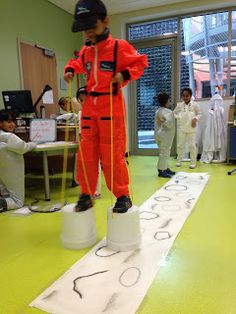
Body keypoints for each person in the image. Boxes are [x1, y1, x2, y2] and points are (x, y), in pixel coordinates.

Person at [64, 0, 148, 213]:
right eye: (85, 30)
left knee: (112, 154)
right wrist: (70, 70)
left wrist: (123, 75)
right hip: (90, 108)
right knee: (87, 153)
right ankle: (86, 193)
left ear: (106, 21)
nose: (89, 33)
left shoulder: (119, 47)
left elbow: (140, 62)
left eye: (93, 27)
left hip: (110, 106)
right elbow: (77, 62)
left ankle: (122, 196)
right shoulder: (86, 51)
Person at [0, 109, 36, 212]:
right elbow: (23, 147)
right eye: (9, 122)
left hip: (3, 170)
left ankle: (3, 202)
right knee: (17, 201)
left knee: (6, 192)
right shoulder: (8, 137)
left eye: (13, 122)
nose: (13, 124)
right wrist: (34, 144)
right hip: (10, 168)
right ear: (1, 123)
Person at [173, 87, 201, 169]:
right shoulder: (179, 105)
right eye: (184, 96)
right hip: (181, 128)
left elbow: (199, 113)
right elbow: (173, 113)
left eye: (187, 96)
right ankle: (179, 161)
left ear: (190, 96)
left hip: (192, 128)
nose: (185, 97)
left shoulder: (195, 105)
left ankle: (193, 162)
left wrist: (195, 119)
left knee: (192, 145)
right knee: (180, 145)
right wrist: (179, 117)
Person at [154, 92, 175, 178]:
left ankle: (166, 168)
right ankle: (161, 170)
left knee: (165, 152)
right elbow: (169, 124)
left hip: (160, 134)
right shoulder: (167, 112)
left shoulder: (158, 111)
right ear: (167, 101)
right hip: (165, 135)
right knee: (164, 152)